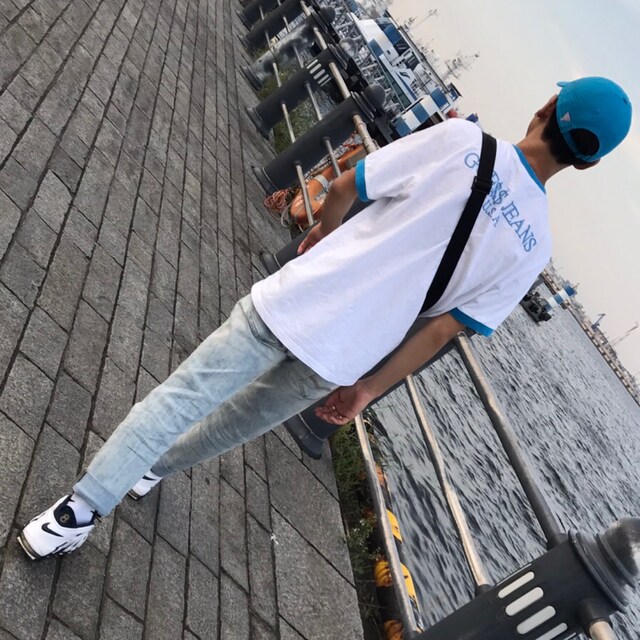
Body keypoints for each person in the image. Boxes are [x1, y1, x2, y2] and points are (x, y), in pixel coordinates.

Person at [19, 77, 632, 560]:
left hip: (297, 299)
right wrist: (366, 389)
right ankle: (152, 470)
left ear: (546, 107)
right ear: (589, 163)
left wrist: (320, 239)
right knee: (235, 424)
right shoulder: (535, 248)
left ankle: (76, 513)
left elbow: (346, 187)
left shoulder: (463, 143)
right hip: (345, 353)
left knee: (182, 398)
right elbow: (444, 329)